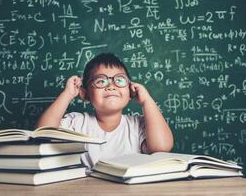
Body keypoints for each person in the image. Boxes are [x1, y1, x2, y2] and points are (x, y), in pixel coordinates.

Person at [37, 53, 173, 169]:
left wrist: (147, 100)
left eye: (119, 80)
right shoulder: (76, 122)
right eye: (101, 81)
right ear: (85, 94)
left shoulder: (138, 125)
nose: (111, 86)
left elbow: (161, 148)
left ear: (131, 91)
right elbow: (43, 133)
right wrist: (68, 94)